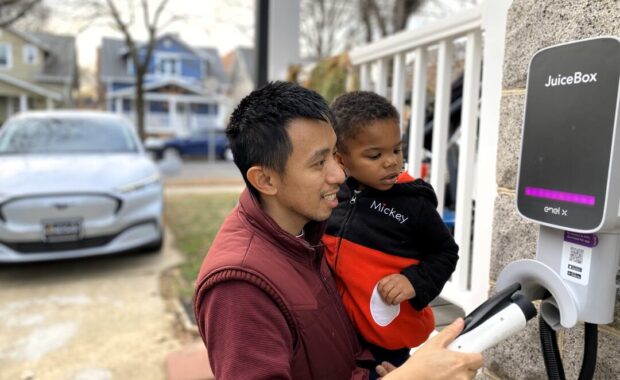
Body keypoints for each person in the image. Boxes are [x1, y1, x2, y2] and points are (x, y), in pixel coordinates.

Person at [193, 81, 483, 379]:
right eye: (319, 163)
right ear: (265, 180)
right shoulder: (239, 288)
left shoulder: (304, 228)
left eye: (335, 154)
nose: (338, 173)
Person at [324, 91, 459, 372]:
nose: (391, 162)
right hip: (340, 331)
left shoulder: (414, 204)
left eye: (397, 150)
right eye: (375, 155)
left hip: (387, 342)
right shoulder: (333, 195)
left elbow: (446, 252)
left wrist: (414, 281)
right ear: (340, 159)